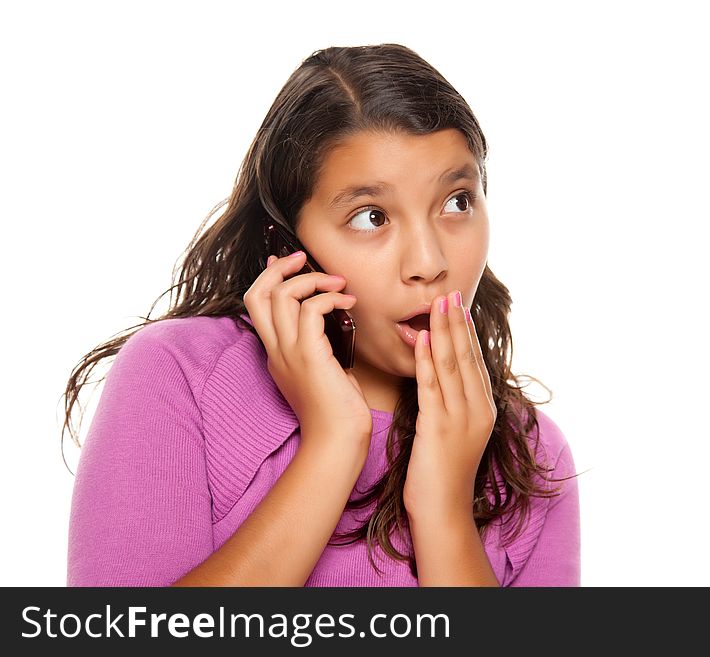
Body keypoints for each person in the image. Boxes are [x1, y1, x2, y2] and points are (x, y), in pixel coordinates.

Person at [63, 43, 581, 587]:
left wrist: (445, 511)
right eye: (372, 216)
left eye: (457, 202)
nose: (430, 264)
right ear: (289, 247)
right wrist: (333, 446)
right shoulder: (180, 378)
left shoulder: (533, 454)